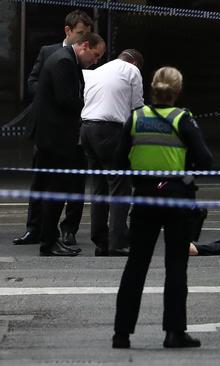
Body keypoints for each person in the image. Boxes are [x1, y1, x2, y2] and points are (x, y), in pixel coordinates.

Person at [113, 66, 213, 349]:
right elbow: (206, 160)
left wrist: (139, 178)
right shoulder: (184, 120)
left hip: (144, 198)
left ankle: (121, 334)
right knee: (176, 266)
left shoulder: (135, 118)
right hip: (176, 198)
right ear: (178, 91)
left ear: (152, 89)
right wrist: (186, 170)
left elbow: (119, 161)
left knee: (136, 265)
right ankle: (174, 332)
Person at [13, 10, 93, 247]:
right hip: (52, 126)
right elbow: (33, 81)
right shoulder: (50, 52)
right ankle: (34, 228)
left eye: (87, 34)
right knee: (41, 179)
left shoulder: (88, 55)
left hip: (77, 125)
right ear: (68, 31)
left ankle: (68, 228)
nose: (84, 39)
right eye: (80, 33)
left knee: (75, 181)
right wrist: (50, 95)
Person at [32, 32, 105, 256]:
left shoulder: (64, 58)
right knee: (56, 190)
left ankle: (50, 239)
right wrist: (88, 104)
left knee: (53, 189)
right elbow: (67, 99)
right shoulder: (64, 61)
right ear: (83, 46)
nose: (95, 61)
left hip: (52, 136)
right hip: (56, 138)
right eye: (94, 55)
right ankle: (49, 242)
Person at [80, 49, 144, 257]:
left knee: (98, 188)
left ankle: (101, 241)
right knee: (120, 186)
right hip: (110, 130)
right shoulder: (132, 70)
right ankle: (117, 242)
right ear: (134, 62)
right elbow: (137, 109)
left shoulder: (98, 70)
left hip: (87, 129)